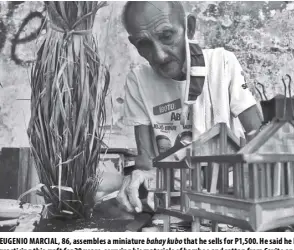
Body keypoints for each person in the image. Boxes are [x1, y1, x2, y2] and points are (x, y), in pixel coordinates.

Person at [95, 1, 262, 214]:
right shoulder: (138, 79)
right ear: (134, 45)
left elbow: (258, 139)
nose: (160, 56)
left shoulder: (223, 63)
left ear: (189, 28)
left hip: (230, 193)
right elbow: (146, 162)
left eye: (167, 36)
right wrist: (138, 176)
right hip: (176, 197)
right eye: (144, 44)